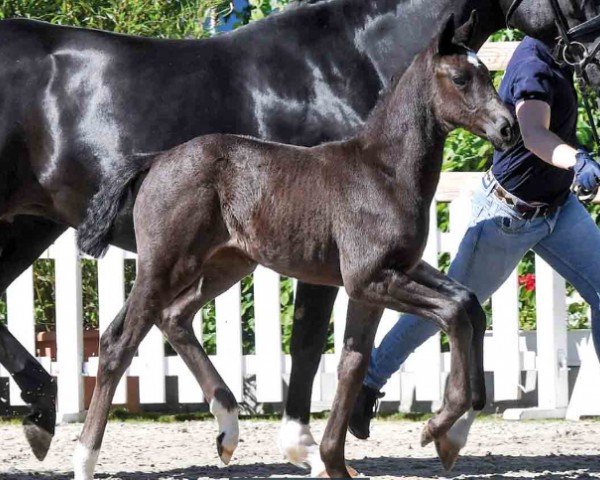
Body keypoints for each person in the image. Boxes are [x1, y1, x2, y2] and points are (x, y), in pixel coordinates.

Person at [348, 35, 600, 440]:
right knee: (446, 309)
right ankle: (367, 383)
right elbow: (533, 132)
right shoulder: (534, 62)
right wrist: (577, 159)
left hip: (558, 209)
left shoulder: (564, 52)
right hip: (507, 217)